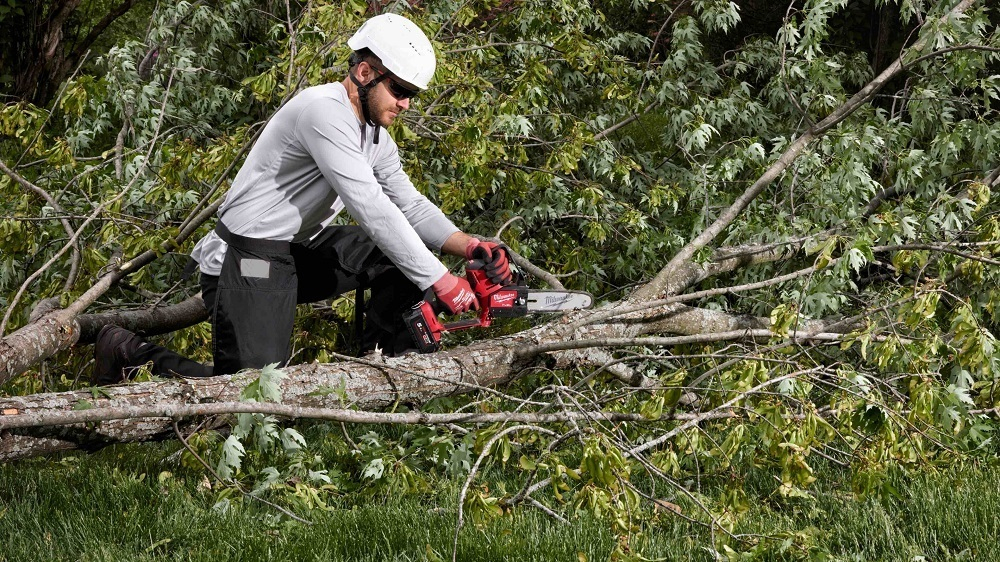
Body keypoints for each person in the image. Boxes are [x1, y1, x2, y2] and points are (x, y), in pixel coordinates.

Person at [93, 13, 513, 385]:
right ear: (365, 72)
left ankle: (387, 369)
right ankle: (130, 350)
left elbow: (409, 204)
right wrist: (440, 280)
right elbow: (371, 207)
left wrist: (469, 244)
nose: (405, 103)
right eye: (400, 89)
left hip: (295, 249)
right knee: (257, 393)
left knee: (400, 253)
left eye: (412, 94)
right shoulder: (323, 112)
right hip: (246, 259)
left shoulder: (374, 136)